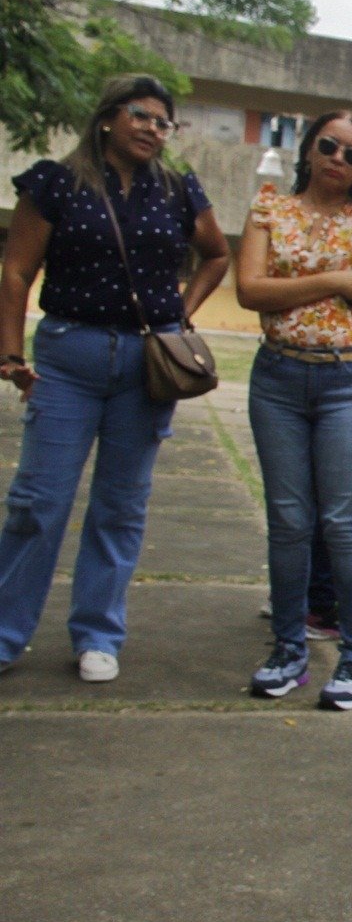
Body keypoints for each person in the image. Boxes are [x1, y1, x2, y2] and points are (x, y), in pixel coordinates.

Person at [0, 75, 230, 683]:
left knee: (121, 505)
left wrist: (182, 312)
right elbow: (17, 271)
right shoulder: (57, 182)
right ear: (107, 119)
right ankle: (5, 633)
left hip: (146, 366)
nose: (154, 129)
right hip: (68, 355)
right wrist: (9, 353)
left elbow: (216, 253)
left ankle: (98, 633)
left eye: (163, 122)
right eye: (141, 115)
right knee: (37, 501)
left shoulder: (178, 189)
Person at [235, 109, 352, 710]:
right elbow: (250, 291)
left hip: (347, 381)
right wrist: (338, 278)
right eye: (329, 145)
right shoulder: (269, 208)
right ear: (309, 148)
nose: (338, 158)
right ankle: (288, 650)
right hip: (278, 377)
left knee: (340, 520)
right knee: (288, 520)